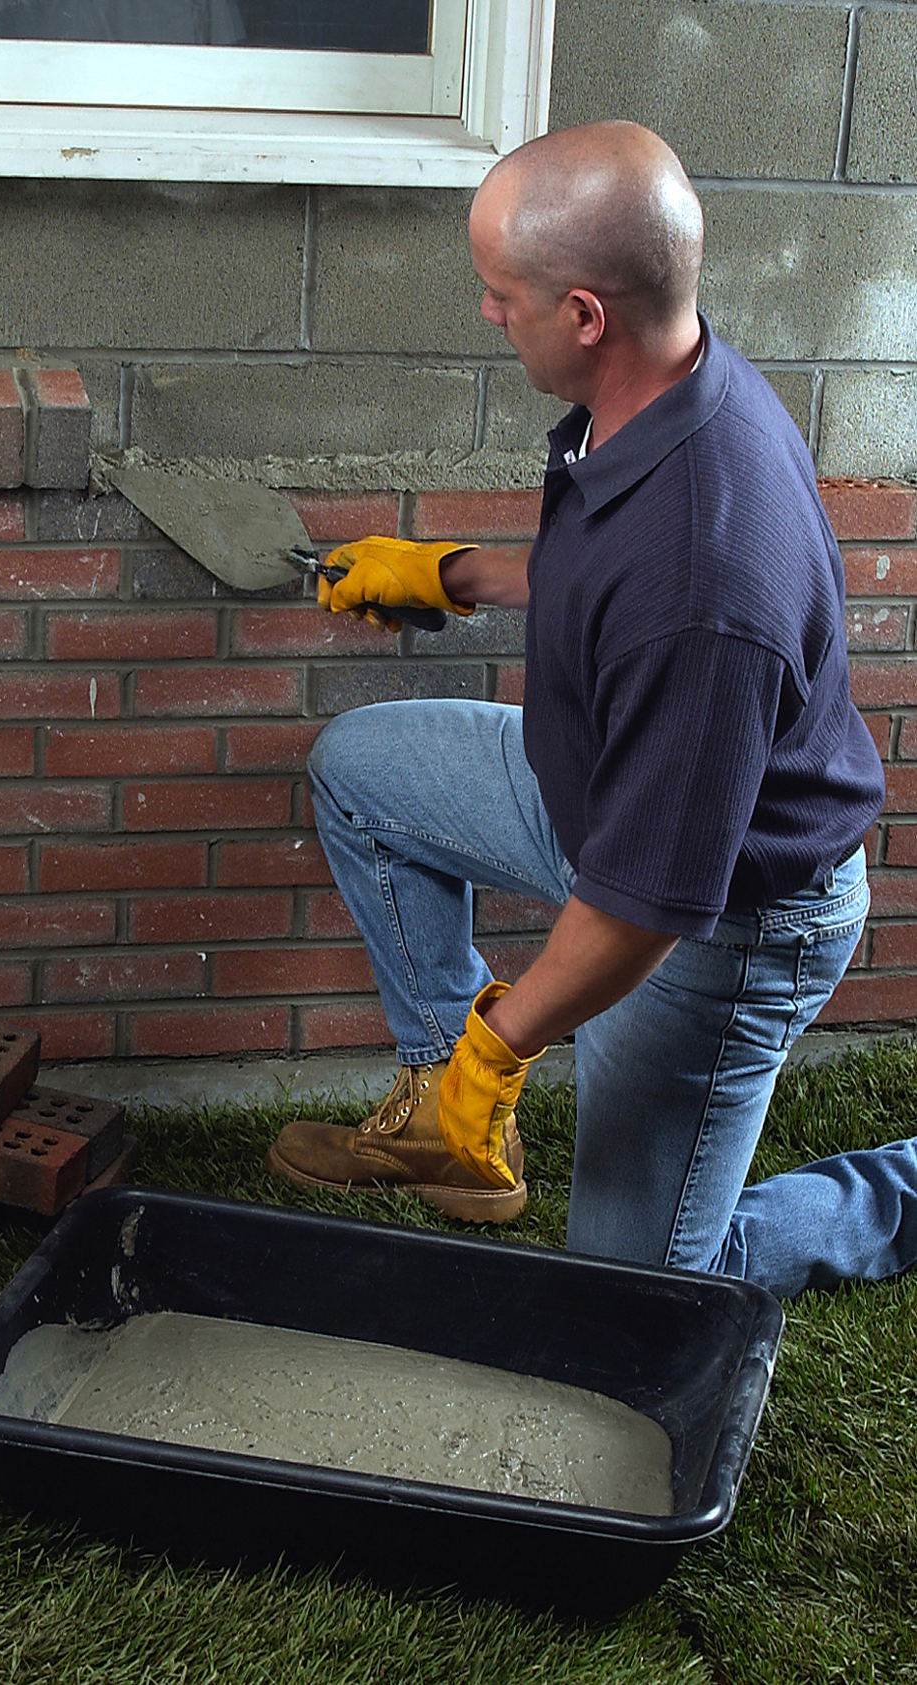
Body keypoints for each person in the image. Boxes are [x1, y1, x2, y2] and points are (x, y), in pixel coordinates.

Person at [265, 120, 917, 1299]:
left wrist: (502, 1044)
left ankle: (896, 1192)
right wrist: (453, 573)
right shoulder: (668, 388)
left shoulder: (708, 582)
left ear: (582, 314)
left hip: (726, 918)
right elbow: (618, 572)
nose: (486, 310)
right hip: (611, 798)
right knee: (363, 771)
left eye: (499, 291)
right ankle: (445, 1120)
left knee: (641, 1290)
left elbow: (645, 902)